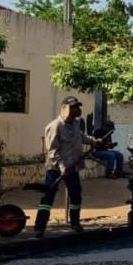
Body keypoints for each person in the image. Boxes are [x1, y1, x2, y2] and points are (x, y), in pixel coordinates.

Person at [34, 96, 101, 237]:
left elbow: (81, 137)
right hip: (55, 168)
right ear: (65, 108)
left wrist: (95, 142)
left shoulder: (76, 124)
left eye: (78, 107)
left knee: (76, 195)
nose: (78, 110)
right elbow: (52, 150)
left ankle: (75, 223)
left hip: (73, 166)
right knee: (48, 197)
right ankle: (39, 228)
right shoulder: (54, 126)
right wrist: (62, 166)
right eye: (74, 107)